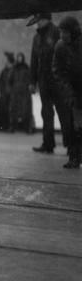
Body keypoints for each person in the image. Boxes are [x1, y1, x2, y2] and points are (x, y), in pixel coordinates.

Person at [29, 12, 71, 154]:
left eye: (39, 20)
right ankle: (48, 144)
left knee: (64, 113)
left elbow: (66, 57)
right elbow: (34, 61)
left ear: (46, 19)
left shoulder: (58, 33)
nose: (37, 23)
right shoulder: (36, 38)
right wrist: (32, 82)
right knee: (46, 113)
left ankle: (71, 146)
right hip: (44, 81)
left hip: (58, 81)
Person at [52, 16, 82, 169]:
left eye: (65, 32)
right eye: (61, 32)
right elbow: (57, 71)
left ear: (74, 32)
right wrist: (67, 91)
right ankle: (74, 157)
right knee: (72, 126)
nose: (62, 35)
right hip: (71, 90)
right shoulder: (60, 47)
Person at [8, 52, 33, 132]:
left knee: (25, 110)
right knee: (13, 110)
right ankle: (12, 127)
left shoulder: (26, 68)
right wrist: (11, 89)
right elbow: (10, 79)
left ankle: (27, 128)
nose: (19, 59)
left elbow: (29, 79)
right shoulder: (14, 68)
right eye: (18, 57)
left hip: (24, 92)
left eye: (20, 57)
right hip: (15, 92)